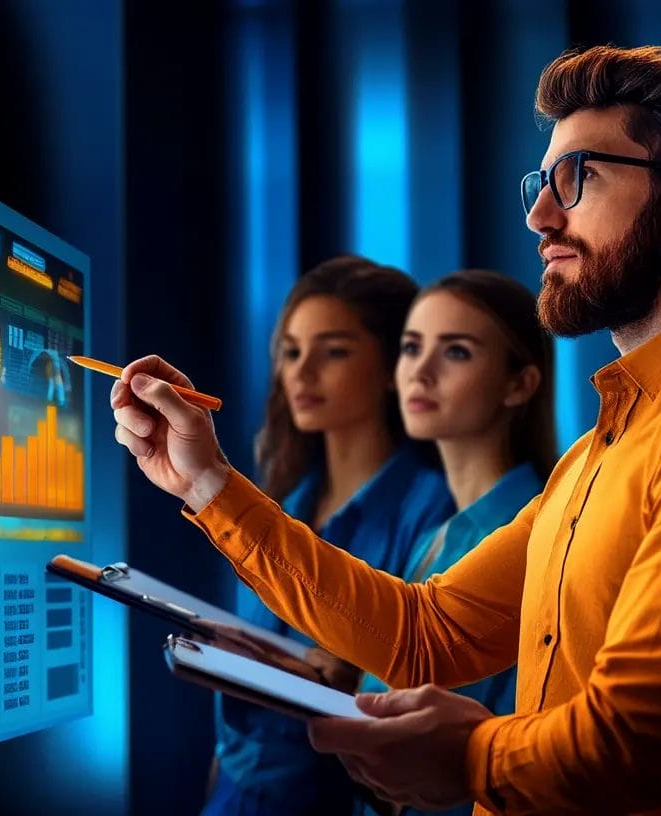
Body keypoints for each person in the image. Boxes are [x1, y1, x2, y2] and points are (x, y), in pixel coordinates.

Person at [114, 45, 661, 814]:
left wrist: (467, 757)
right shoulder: (602, 448)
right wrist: (206, 482)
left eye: (578, 178)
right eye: (542, 182)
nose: (540, 215)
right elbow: (424, 634)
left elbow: (640, 738)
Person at [202, 255, 455, 816]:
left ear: (394, 364)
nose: (302, 372)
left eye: (333, 351)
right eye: (291, 352)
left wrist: (350, 676)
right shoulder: (279, 504)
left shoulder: (435, 510)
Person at [353, 269, 557, 816]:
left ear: (520, 384)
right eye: (411, 347)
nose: (420, 372)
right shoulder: (433, 533)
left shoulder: (536, 532)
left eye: (456, 352)